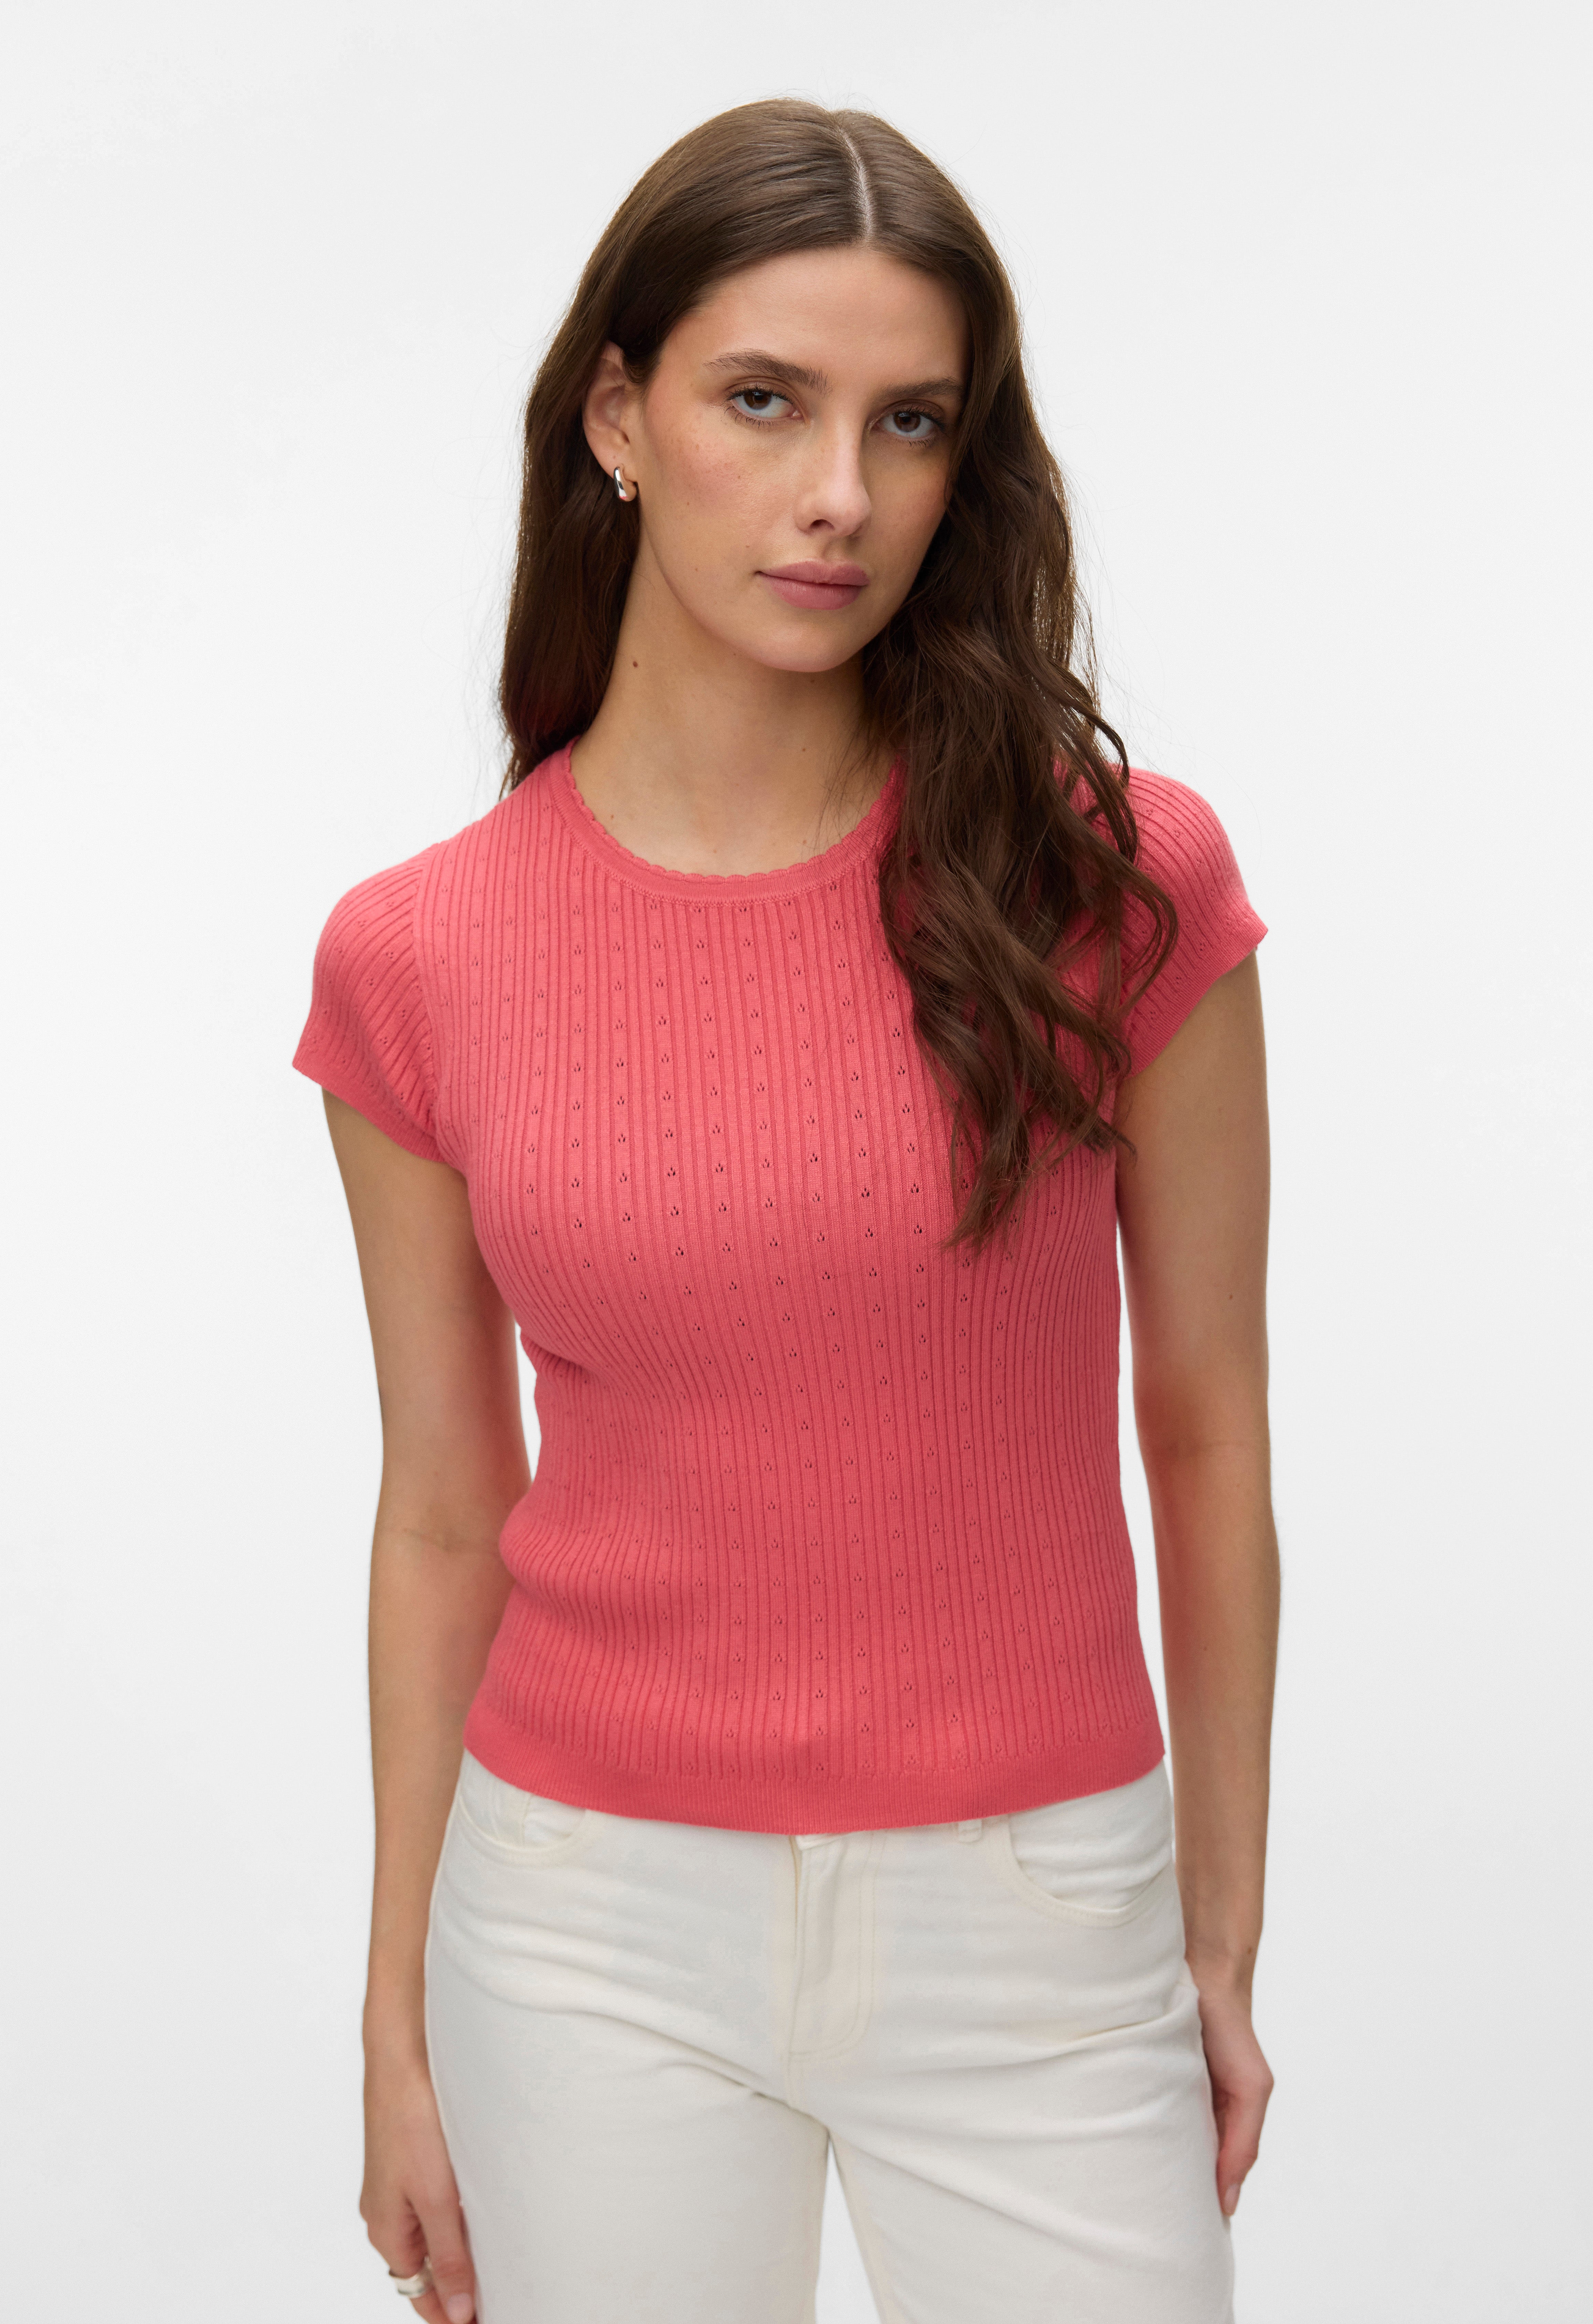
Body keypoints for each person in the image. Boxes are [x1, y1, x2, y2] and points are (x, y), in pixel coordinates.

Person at [292, 97, 1277, 2324]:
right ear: (617, 418)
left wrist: (1213, 1935)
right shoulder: (417, 957)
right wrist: (394, 2022)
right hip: (582, 1927)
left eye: (910, 420)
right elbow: (444, 1513)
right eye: (766, 401)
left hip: (1040, 1920)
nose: (844, 491)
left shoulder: (1112, 884)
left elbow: (1208, 1424)